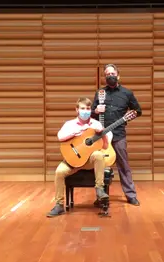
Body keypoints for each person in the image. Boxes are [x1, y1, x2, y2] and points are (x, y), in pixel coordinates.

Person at [47, 97, 109, 217]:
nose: (85, 111)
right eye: (82, 108)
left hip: (88, 161)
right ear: (77, 110)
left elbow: (105, 146)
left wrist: (103, 134)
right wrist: (79, 131)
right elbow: (60, 137)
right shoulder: (69, 124)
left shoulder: (96, 124)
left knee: (99, 155)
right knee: (59, 172)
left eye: (88, 108)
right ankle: (59, 205)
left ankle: (100, 189)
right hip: (72, 160)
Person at [91, 64, 142, 206]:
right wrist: (96, 110)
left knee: (123, 165)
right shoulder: (100, 93)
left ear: (118, 75)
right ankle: (100, 195)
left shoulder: (127, 93)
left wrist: (128, 116)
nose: (110, 76)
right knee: (99, 165)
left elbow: (138, 110)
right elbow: (90, 115)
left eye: (112, 73)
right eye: (107, 74)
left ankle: (130, 195)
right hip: (101, 136)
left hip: (119, 134)